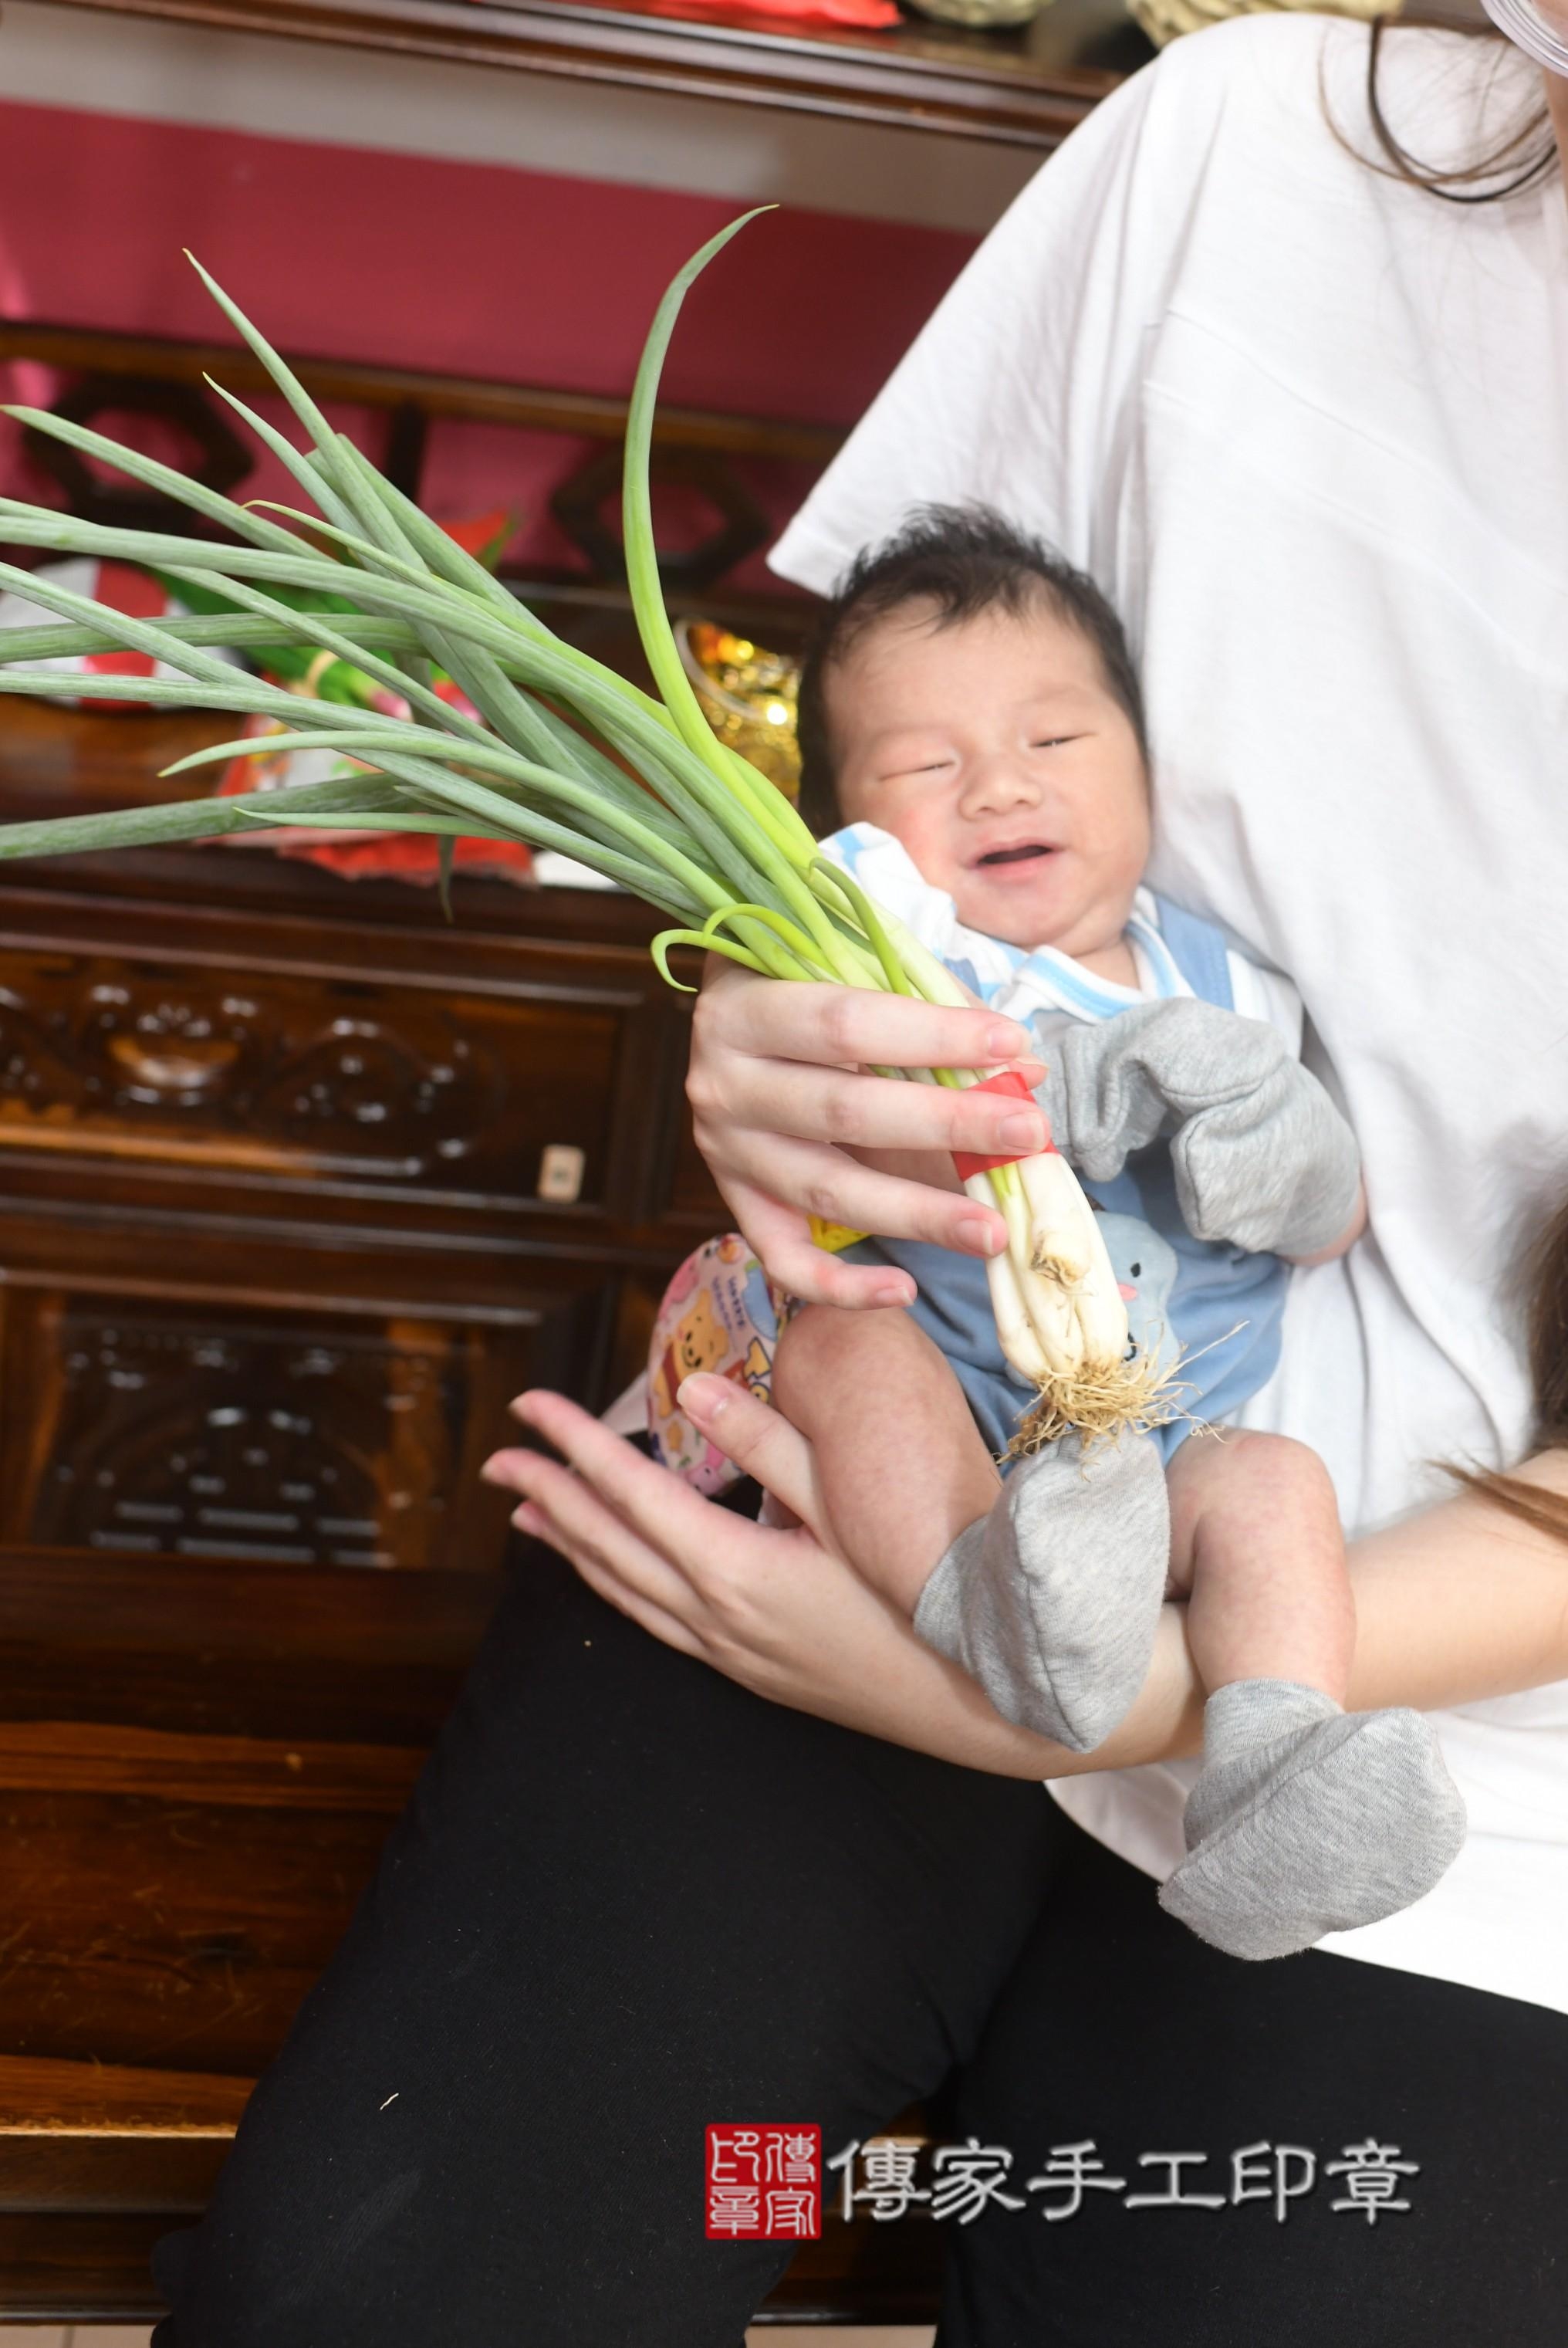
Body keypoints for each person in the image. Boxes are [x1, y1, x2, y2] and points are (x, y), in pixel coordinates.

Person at [147, 15, 1568, 2346]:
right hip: (861, 1496)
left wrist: (1103, 1701)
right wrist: (782, 1038)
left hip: (1444, 1742)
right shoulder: (1258, 152)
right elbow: (842, 807)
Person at [650, 502, 1464, 1962]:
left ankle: (1277, 1770)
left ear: (1146, 764)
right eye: (927, 763)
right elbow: (839, 1137)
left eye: (1056, 738)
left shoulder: (1230, 984)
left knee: (1276, 1487)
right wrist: (1026, 1086)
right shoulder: (897, 965)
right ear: (847, 825)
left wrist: (1267, 1136)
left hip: (1160, 1442)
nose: (1000, 784)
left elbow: (1328, 1221)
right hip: (960, 1407)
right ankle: (989, 1600)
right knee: (846, 1348)